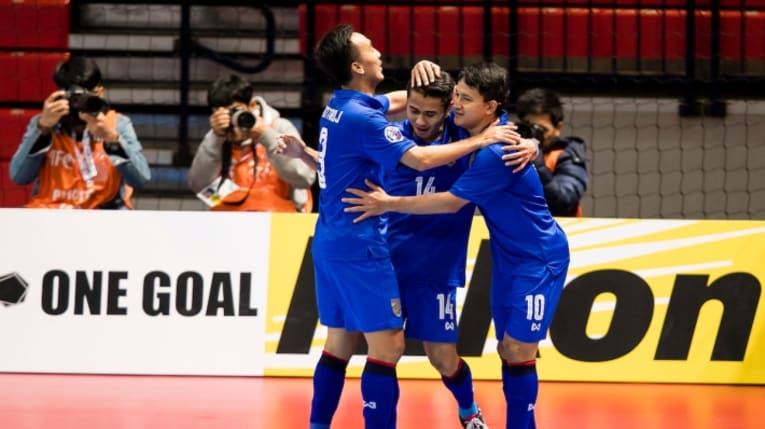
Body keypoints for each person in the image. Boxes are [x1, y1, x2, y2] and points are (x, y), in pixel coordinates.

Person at [306, 24, 521, 429]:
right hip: (371, 250)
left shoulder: (346, 107)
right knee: (385, 348)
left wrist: (429, 69)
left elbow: (460, 105)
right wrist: (481, 142)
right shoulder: (381, 129)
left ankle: (467, 408)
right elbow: (421, 159)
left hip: (399, 257)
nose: (378, 51)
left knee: (364, 345)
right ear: (357, 64)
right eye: (370, 48)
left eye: (430, 112)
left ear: (449, 110)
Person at [343, 62, 571, 429]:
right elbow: (416, 104)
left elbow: (451, 201)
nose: (456, 105)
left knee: (514, 351)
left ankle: (490, 417)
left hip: (538, 259)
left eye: (465, 99)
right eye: (456, 97)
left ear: (491, 107)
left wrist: (388, 203)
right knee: (505, 350)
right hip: (505, 259)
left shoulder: (493, 151)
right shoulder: (465, 133)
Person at [10, 56, 150, 209]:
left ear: (99, 93)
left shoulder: (117, 124)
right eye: (73, 98)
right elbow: (19, 177)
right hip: (51, 215)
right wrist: (42, 129)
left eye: (83, 98)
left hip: (103, 218)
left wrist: (112, 139)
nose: (77, 106)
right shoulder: (45, 123)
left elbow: (140, 179)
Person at [187, 74, 316, 212]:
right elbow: (199, 187)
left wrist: (265, 136)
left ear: (252, 105)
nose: (231, 121)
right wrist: (216, 138)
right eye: (222, 114)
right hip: (231, 222)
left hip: (279, 222)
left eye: (235, 111)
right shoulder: (216, 138)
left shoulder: (279, 128)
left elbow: (305, 178)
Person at [515, 87, 588, 217]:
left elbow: (563, 202)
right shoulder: (513, 150)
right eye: (530, 127)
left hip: (559, 232)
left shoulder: (567, 154)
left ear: (558, 127)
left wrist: (536, 160)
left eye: (541, 129)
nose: (534, 134)